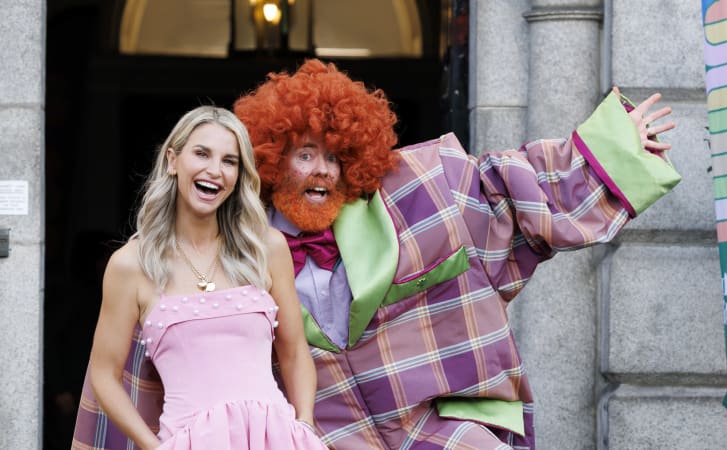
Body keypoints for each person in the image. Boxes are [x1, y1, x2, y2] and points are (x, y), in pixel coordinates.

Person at [74, 60, 681, 449]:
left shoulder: (415, 196)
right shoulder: (243, 249)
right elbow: (145, 361)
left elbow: (508, 186)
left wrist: (610, 149)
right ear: (272, 157)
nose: (320, 171)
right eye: (303, 154)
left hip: (432, 418)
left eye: (334, 156)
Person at [77, 106, 328, 450]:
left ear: (240, 175)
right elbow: (104, 375)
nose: (215, 170)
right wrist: (153, 447)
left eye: (230, 161)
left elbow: (295, 351)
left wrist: (304, 424)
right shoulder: (130, 265)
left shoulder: (267, 248)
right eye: (201, 153)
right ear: (172, 161)